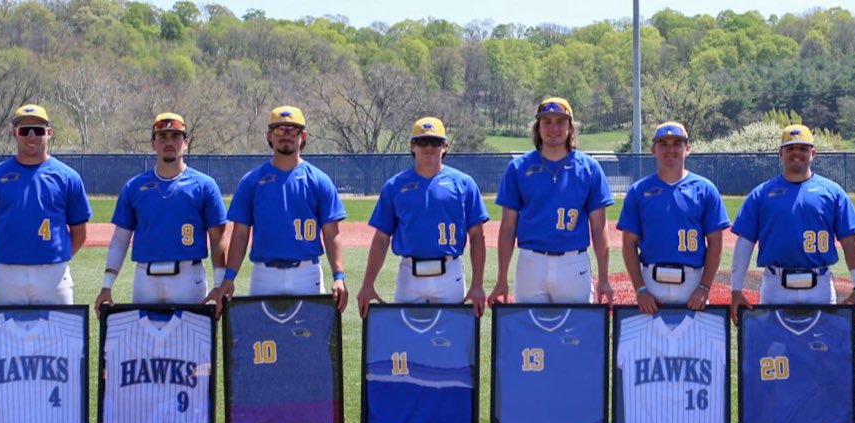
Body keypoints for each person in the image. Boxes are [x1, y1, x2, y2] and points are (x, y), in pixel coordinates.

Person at [210, 106, 348, 312]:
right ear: (269, 136)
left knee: (308, 339)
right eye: (279, 130)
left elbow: (331, 233)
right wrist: (229, 277)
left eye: (292, 130)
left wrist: (339, 276)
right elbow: (240, 234)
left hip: (307, 272)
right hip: (265, 274)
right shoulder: (252, 181)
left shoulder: (319, 180)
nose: (286, 135)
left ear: (303, 136)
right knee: (263, 339)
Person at [356, 117, 490, 317]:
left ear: (445, 146)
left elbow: (477, 237)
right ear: (412, 146)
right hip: (409, 274)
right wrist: (367, 284)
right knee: (406, 342)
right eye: (422, 142)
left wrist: (477, 284)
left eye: (435, 142)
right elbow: (381, 239)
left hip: (450, 273)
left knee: (454, 340)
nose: (429, 147)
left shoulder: (464, 183)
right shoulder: (395, 186)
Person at [488, 97, 615, 305]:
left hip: (573, 262)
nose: (553, 128)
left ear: (571, 127)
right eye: (546, 122)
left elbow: (599, 227)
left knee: (575, 332)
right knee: (530, 332)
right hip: (531, 262)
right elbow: (508, 227)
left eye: (560, 122)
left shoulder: (589, 168)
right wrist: (502, 277)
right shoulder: (518, 167)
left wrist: (604, 278)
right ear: (537, 128)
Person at [96, 113, 228, 309]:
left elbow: (218, 239)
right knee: (145, 338)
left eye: (175, 136)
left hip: (188, 277)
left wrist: (219, 284)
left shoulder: (204, 185)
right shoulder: (134, 186)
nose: (169, 142)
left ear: (186, 142)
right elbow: (120, 239)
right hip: (145, 278)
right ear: (153, 143)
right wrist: (107, 285)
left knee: (191, 338)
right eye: (162, 136)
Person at [729, 124, 855, 315]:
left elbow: (850, 242)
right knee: (773, 344)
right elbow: (744, 243)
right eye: (790, 148)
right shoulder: (761, 193)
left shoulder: (833, 192)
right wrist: (736, 289)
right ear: (780, 153)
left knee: (823, 343)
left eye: (803, 148)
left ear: (813, 153)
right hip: (775, 286)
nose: (796, 153)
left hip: (821, 286)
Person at [0, 104, 93, 305]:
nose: (31, 136)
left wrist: (56, 257)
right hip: (7, 272)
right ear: (14, 133)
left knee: (57, 334)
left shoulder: (67, 177)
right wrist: (4, 255)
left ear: (49, 133)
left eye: (37, 130)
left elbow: (79, 233)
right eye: (24, 130)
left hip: (53, 273)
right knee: (5, 334)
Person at [618, 121, 730, 314]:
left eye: (676, 143)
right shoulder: (638, 191)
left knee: (695, 343)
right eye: (663, 143)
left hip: (693, 281)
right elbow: (628, 243)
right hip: (651, 283)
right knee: (651, 343)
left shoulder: (705, 189)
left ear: (687, 148)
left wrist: (704, 286)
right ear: (653, 149)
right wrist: (640, 288)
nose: (670, 149)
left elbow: (715, 242)